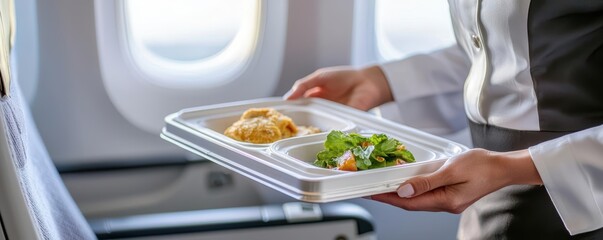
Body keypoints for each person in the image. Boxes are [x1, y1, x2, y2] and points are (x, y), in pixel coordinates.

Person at [285, 1, 603, 239]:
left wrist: (515, 168)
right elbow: (501, 55)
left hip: (584, 208)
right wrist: (382, 82)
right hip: (485, 195)